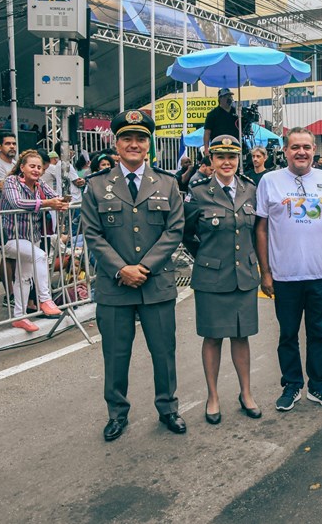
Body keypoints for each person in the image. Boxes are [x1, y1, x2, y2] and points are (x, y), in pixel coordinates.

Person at [81, 110, 186, 442]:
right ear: (117, 143)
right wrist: (120, 269)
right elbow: (93, 234)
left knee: (164, 352)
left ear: (148, 144)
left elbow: (174, 231)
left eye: (141, 138)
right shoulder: (97, 186)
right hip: (115, 287)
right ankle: (117, 413)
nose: (134, 144)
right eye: (127, 138)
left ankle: (168, 408)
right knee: (115, 354)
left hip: (156, 284)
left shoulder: (167, 184)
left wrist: (145, 267)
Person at [255, 127, 322, 411]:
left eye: (307, 147)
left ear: (314, 150)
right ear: (285, 151)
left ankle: (318, 386)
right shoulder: (269, 181)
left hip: (320, 274)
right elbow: (261, 229)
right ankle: (292, 384)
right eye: (295, 147)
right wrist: (266, 272)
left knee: (319, 333)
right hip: (284, 276)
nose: (301, 152)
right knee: (288, 334)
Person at [183, 135, 262, 425]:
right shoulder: (199, 191)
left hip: (244, 275)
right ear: (211, 160)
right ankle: (213, 396)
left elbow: (257, 232)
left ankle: (246, 393)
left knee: (242, 336)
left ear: (238, 159)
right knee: (213, 337)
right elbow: (185, 231)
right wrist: (205, 255)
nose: (227, 162)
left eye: (232, 157)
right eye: (220, 157)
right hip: (211, 276)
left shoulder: (250, 189)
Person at [0, 150, 67, 331]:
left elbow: (55, 197)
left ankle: (19, 316)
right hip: (12, 238)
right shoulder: (11, 181)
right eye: (32, 166)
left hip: (32, 237)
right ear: (22, 167)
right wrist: (47, 204)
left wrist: (62, 202)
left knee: (24, 278)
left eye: (39, 167)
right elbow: (17, 203)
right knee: (40, 256)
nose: (36, 170)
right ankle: (45, 299)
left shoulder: (39, 184)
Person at [202, 88, 239, 153]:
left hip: (234, 145)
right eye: (226, 96)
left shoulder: (237, 113)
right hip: (218, 146)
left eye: (230, 96)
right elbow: (207, 133)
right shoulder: (212, 114)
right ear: (220, 99)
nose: (229, 98)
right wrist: (206, 149)